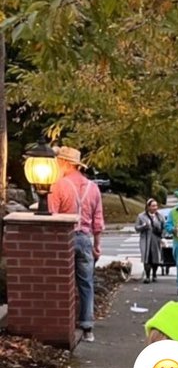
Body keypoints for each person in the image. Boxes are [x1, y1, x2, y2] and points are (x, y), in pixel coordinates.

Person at [48, 145, 105, 343]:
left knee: (63, 281)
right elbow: (98, 221)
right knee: (86, 283)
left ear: (64, 163)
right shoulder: (93, 187)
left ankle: (64, 321)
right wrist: (97, 245)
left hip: (65, 238)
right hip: (85, 239)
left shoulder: (59, 185)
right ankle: (87, 327)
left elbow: (52, 215)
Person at [135, 198, 164, 283]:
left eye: (156, 205)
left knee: (155, 257)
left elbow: (164, 227)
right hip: (145, 239)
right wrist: (144, 226)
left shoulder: (160, 216)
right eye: (153, 206)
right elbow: (136, 228)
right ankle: (147, 276)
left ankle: (154, 274)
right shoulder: (141, 216)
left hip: (156, 239)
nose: (155, 207)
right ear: (148, 207)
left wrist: (162, 236)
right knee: (146, 257)